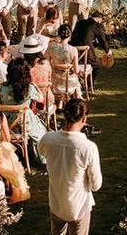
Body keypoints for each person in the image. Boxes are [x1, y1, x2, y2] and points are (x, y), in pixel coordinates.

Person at [39, 99, 102, 235]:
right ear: (84, 119)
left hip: (56, 202)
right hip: (78, 207)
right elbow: (96, 185)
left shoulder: (48, 139)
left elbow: (41, 151)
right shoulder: (88, 147)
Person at [0, 58, 47, 158]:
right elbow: (41, 99)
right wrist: (37, 87)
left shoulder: (1, 87)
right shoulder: (29, 88)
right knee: (42, 128)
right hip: (25, 125)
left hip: (6, 125)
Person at [70, 11, 110, 83]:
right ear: (99, 19)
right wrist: (107, 50)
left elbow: (75, 35)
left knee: (84, 60)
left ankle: (77, 81)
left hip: (73, 50)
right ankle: (88, 84)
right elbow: (102, 39)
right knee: (97, 65)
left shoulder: (80, 22)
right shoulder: (96, 25)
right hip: (85, 50)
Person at [47, 24, 85, 98]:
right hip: (68, 83)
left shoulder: (51, 47)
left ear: (59, 34)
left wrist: (54, 66)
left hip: (54, 81)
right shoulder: (73, 50)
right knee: (77, 82)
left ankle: (61, 102)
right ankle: (75, 101)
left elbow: (47, 64)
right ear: (70, 35)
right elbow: (76, 70)